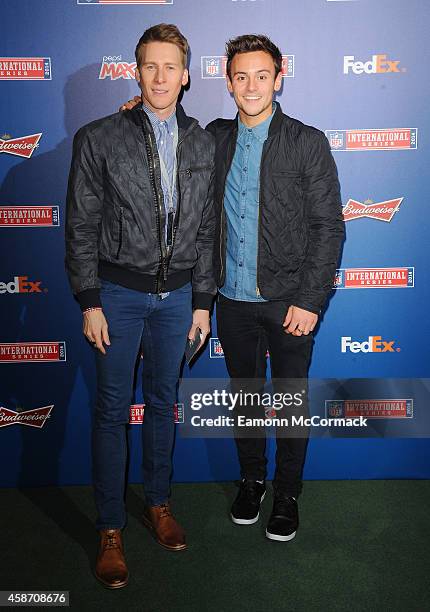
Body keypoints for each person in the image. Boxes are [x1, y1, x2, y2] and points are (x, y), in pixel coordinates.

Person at [121, 33, 344, 543]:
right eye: (240, 76)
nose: (250, 86)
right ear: (227, 81)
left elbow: (329, 227)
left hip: (290, 301)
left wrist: (310, 301)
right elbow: (166, 127)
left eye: (261, 76)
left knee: (290, 402)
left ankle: (287, 492)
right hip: (232, 301)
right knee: (244, 397)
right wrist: (134, 110)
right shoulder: (213, 138)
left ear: (278, 78)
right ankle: (252, 480)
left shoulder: (307, 142)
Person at [65, 23, 216, 589]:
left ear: (185, 74)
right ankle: (109, 527)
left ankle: (157, 503)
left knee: (161, 405)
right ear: (136, 72)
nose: (160, 77)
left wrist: (202, 303)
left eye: (170, 66)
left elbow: (205, 231)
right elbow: (79, 225)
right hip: (119, 297)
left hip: (178, 298)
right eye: (149, 66)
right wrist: (90, 299)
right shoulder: (98, 137)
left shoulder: (203, 142)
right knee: (109, 411)